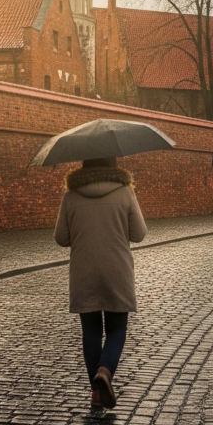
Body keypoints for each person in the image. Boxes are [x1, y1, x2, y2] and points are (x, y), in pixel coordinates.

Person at [54, 156, 147, 410]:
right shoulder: (125, 192)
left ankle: (96, 394)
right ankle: (104, 372)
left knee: (91, 331)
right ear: (113, 164)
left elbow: (61, 237)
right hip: (117, 271)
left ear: (83, 163)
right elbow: (139, 233)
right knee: (117, 329)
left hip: (84, 272)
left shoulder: (71, 196)